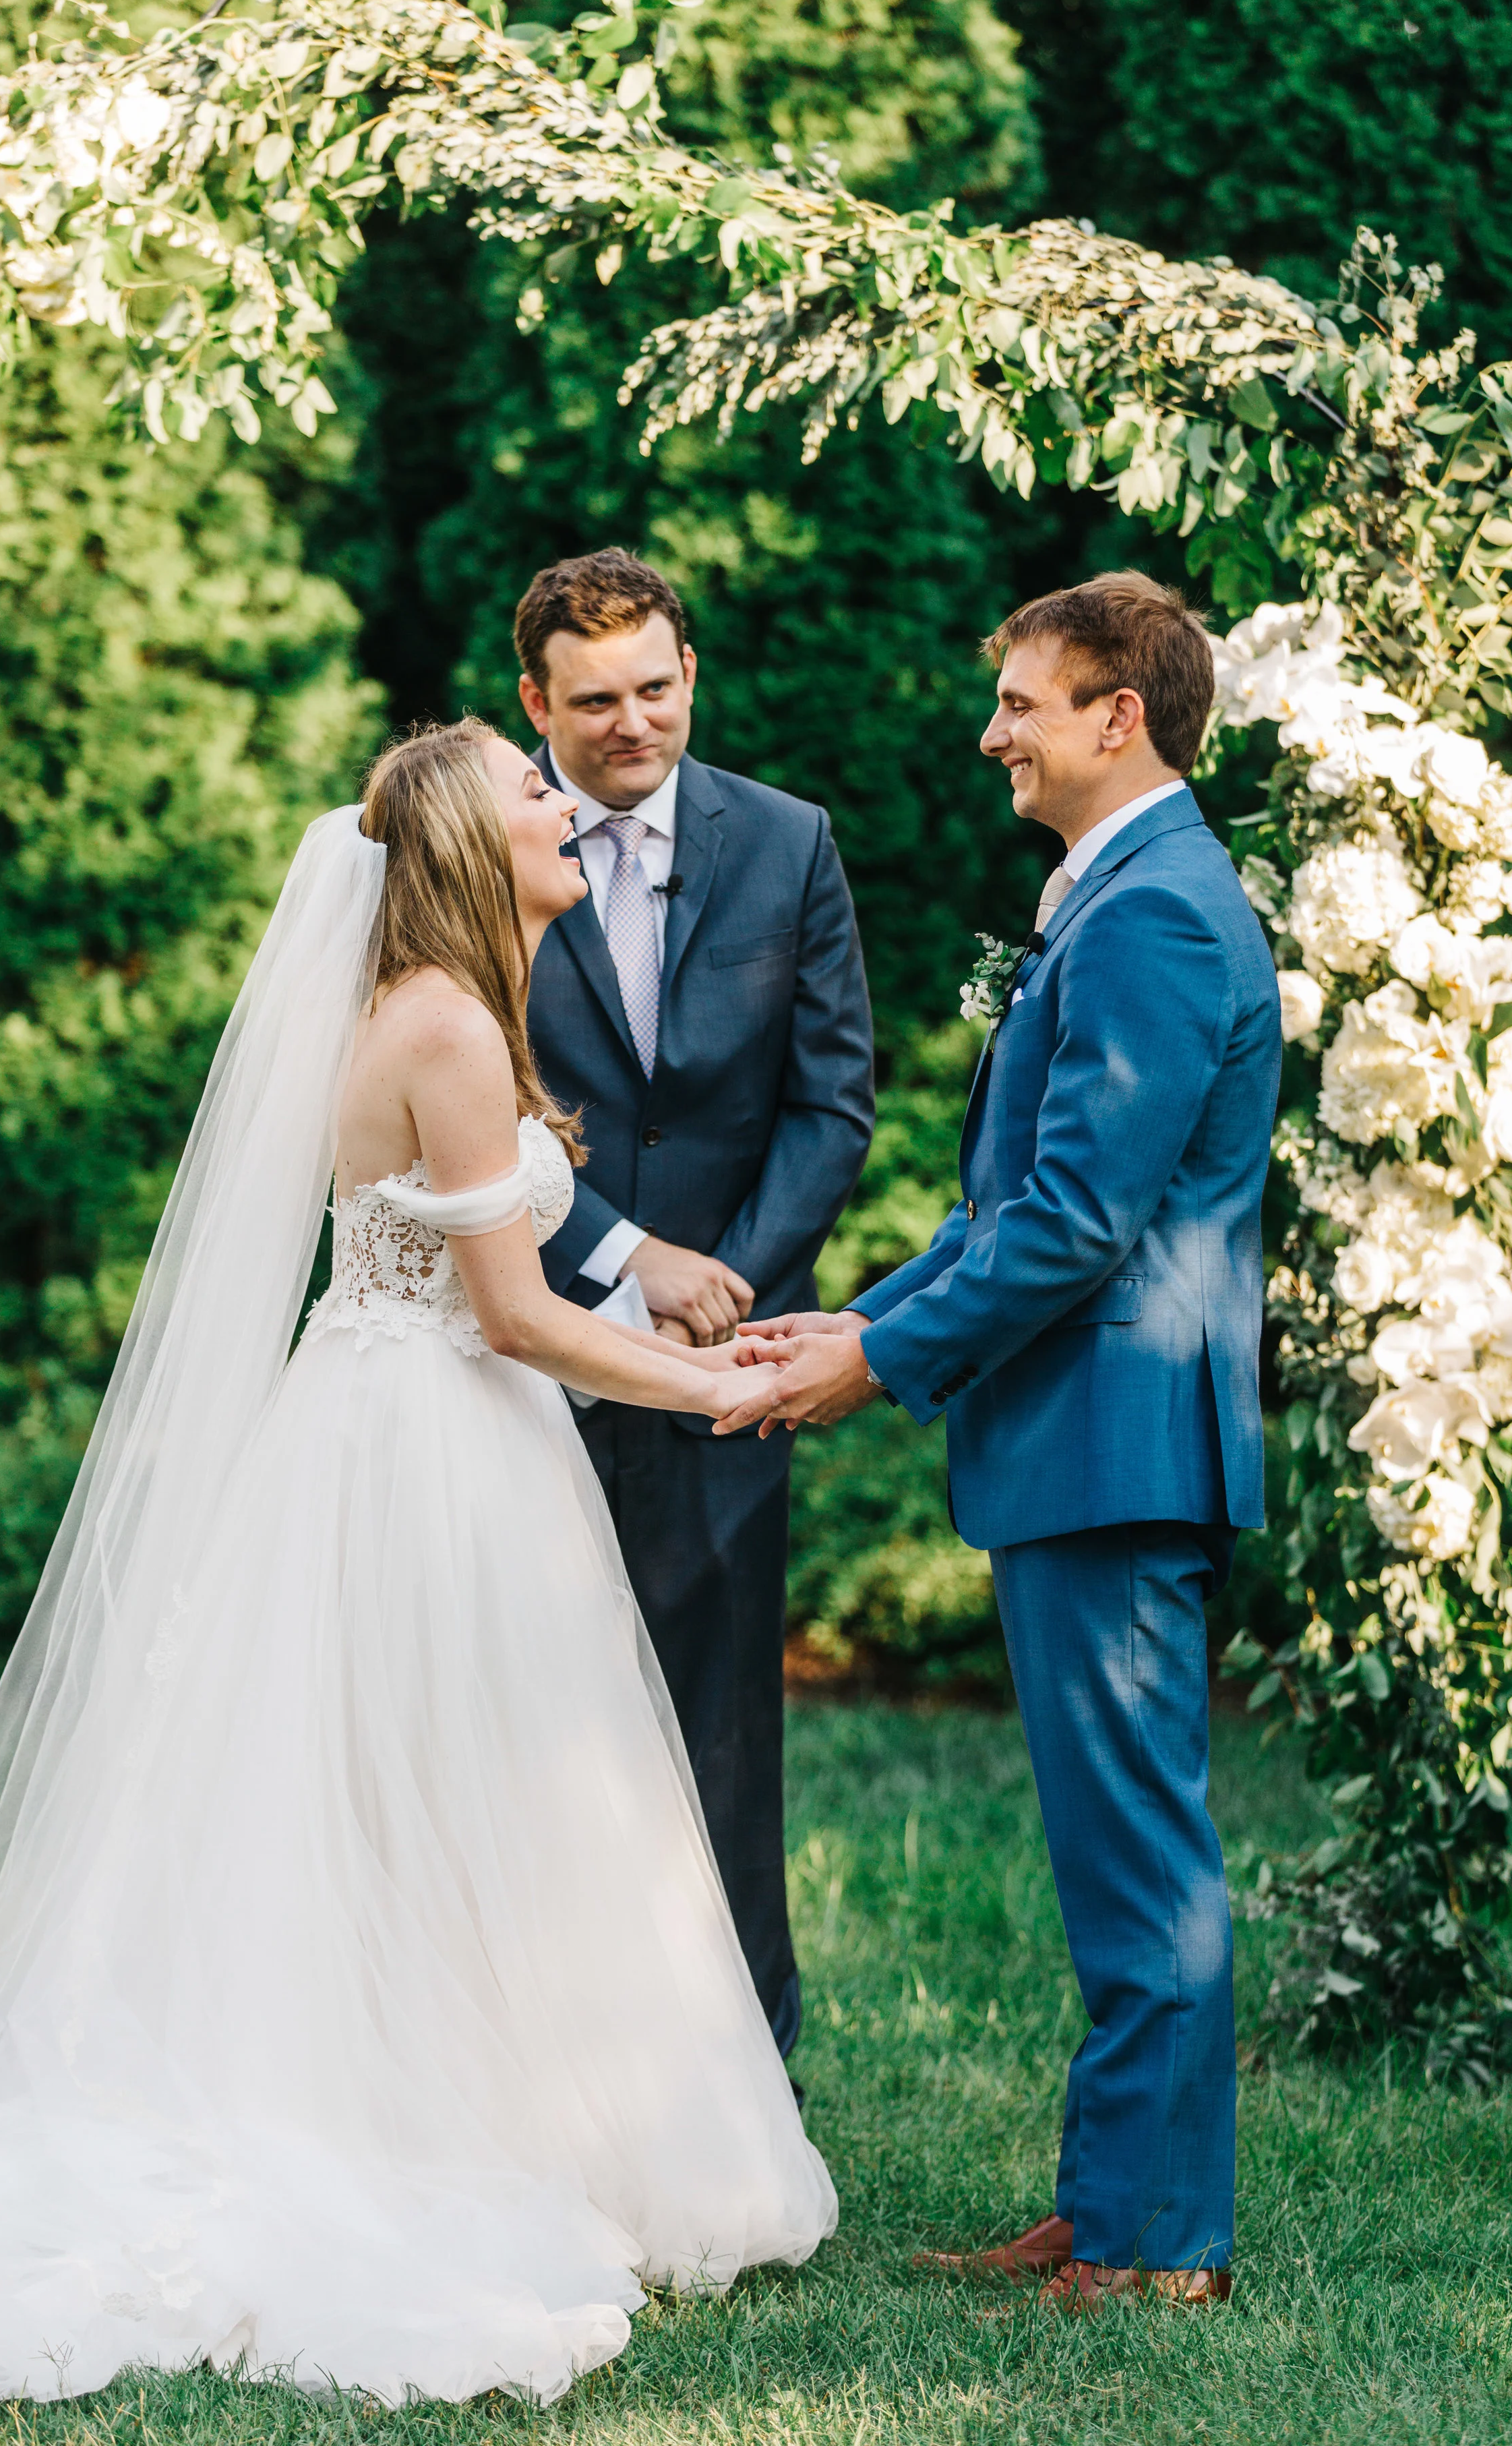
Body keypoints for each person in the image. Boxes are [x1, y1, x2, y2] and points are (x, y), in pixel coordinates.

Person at [0, 721, 835, 2408]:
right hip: (427, 1440)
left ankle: (494, 2099)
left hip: (415, 1425)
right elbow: (518, 1313)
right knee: (453, 1786)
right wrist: (722, 1384)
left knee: (447, 1795)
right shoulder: (449, 1024)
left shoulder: (449, 1008)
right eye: (532, 793)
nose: (569, 804)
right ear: (473, 847)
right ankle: (434, 2129)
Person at [729, 573, 1281, 2308]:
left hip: (1118, 1445)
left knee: (1139, 1852)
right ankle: (1110, 2203)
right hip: (1093, 1438)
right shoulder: (1119, 897)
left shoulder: (1155, 916)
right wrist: (864, 1314)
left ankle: (1157, 2244)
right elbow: (1018, 1201)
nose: (992, 734)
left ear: (1118, 714)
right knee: (1112, 1847)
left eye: (1023, 705)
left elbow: (1074, 1227)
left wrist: (881, 1365)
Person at [515, 549, 875, 2065]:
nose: (630, 724)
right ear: (533, 701)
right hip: (518, 1342)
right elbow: (447, 1096)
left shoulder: (786, 845)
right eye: (593, 700)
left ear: (687, 675)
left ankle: (740, 2076)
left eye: (654, 688)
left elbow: (832, 1099)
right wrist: (621, 1256)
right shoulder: (478, 851)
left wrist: (716, 1290)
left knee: (722, 1728)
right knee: (517, 1717)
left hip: (725, 1366)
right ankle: (530, 2060)